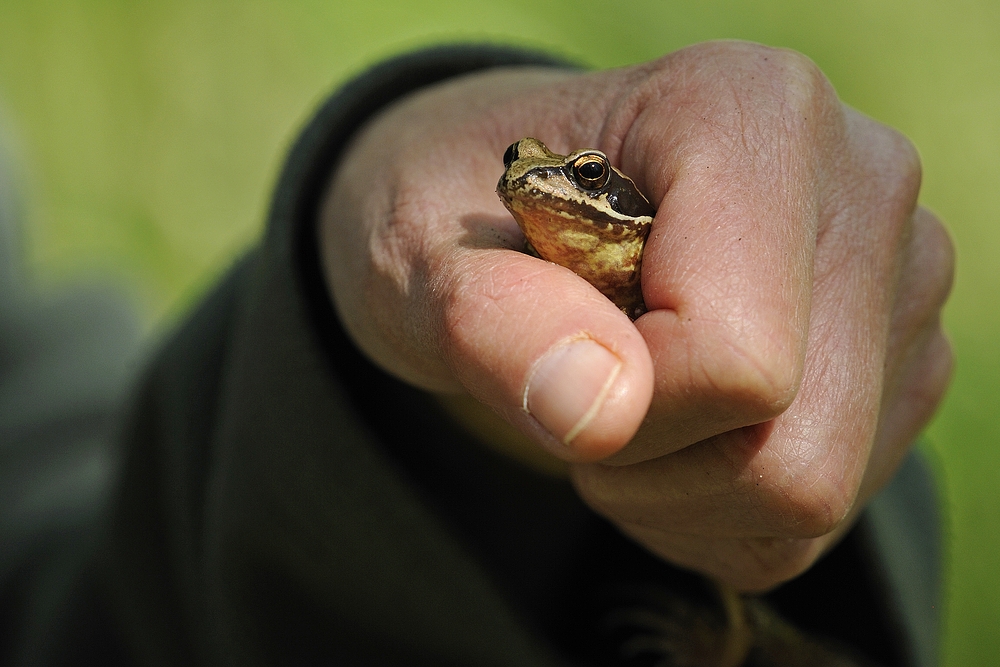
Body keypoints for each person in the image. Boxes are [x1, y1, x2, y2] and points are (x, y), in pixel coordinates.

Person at [1, 42, 952, 666]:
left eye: (578, 175)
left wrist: (363, 366)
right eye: (518, 171)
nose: (534, 185)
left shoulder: (648, 267)